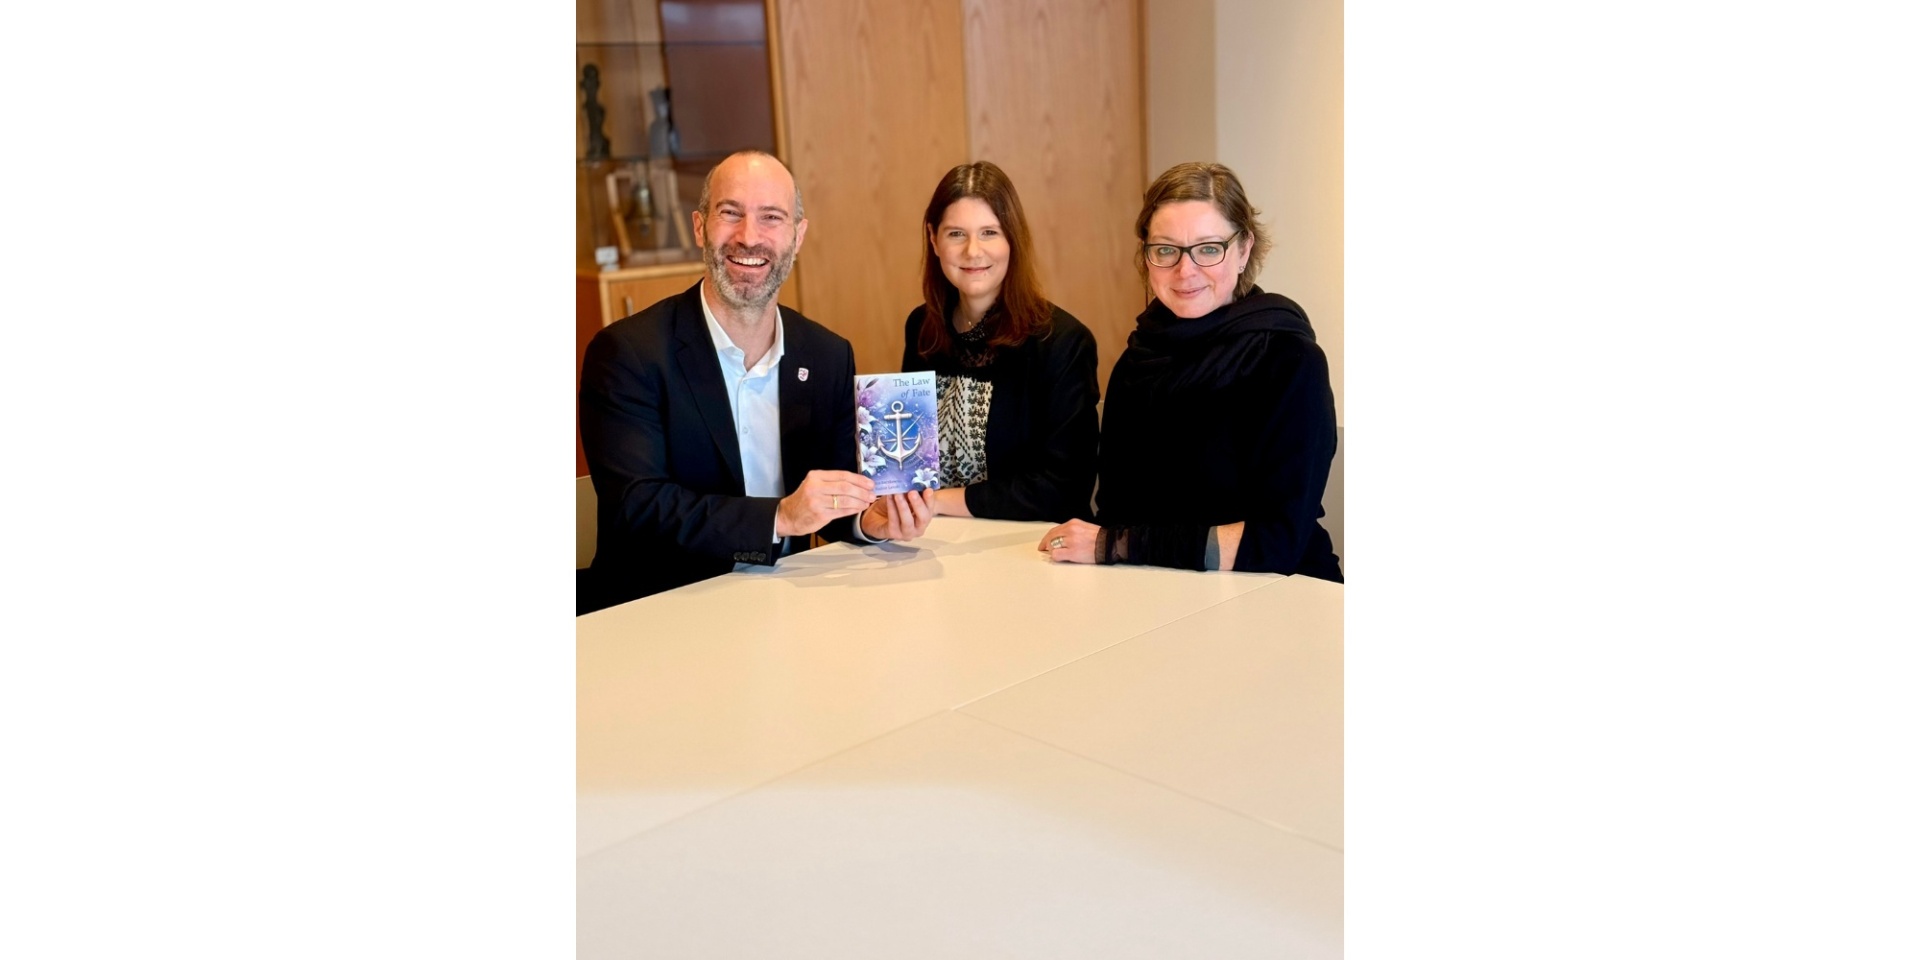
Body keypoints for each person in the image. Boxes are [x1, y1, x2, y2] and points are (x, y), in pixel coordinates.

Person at [579, 150, 932, 612]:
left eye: (771, 218)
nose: (749, 237)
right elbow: (639, 506)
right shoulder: (629, 352)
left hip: (791, 603)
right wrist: (780, 517)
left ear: (797, 236)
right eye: (730, 213)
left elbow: (834, 490)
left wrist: (871, 520)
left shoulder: (826, 355)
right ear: (700, 226)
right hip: (663, 610)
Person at [1039, 162, 1342, 581]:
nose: (1185, 271)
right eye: (1165, 250)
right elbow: (1116, 513)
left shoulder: (1289, 360)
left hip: (1279, 594)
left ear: (1243, 250)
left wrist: (1115, 546)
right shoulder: (1137, 359)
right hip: (1158, 587)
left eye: (1208, 248)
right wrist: (1113, 546)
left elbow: (1276, 543)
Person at [899, 161, 1100, 521]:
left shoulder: (1063, 343)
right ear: (934, 239)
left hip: (1029, 551)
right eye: (956, 234)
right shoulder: (921, 327)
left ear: (1013, 239)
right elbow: (908, 459)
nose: (973, 251)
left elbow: (1065, 489)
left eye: (990, 232)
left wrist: (938, 502)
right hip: (934, 544)